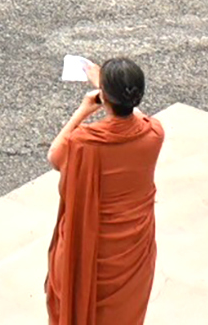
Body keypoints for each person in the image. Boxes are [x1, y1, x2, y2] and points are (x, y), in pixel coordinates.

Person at [45, 56, 161, 325]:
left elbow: (54, 157)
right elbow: (140, 118)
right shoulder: (155, 134)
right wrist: (107, 88)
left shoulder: (85, 142)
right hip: (132, 253)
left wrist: (84, 110)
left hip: (90, 251)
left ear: (103, 98)